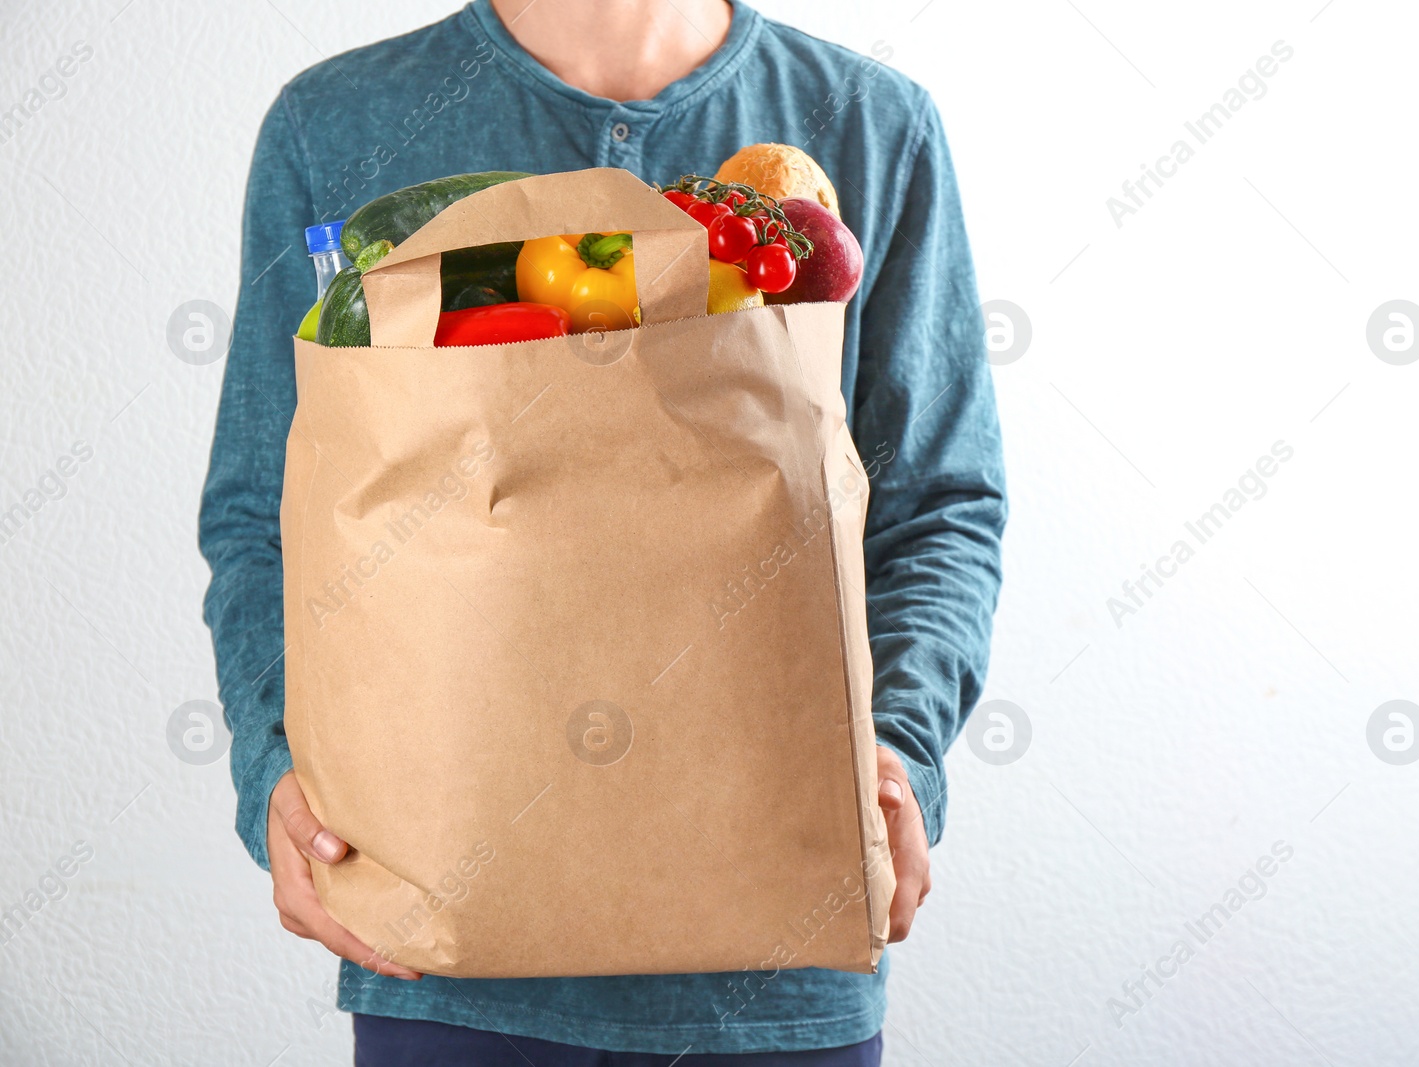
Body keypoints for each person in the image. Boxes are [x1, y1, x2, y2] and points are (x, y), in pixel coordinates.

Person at [199, 0, 1005, 1062]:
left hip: (778, 973)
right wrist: (273, 775)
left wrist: (900, 750)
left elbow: (937, 503)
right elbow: (262, 513)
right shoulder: (337, 124)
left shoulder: (869, 124)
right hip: (442, 964)